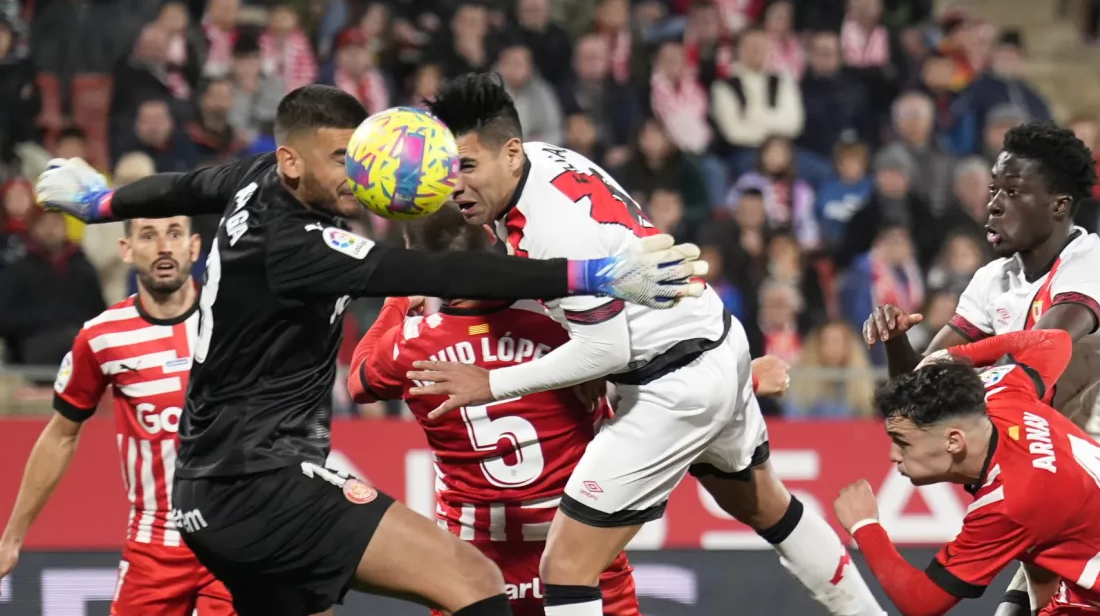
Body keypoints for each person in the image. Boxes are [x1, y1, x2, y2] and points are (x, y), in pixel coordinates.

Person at [32, 84, 705, 616]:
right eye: (338, 159)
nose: (358, 172)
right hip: (264, 483)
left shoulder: (257, 178)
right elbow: (442, 274)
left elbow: (182, 184)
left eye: (358, 153)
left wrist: (101, 202)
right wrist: (592, 273)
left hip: (208, 492)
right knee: (472, 577)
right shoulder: (299, 248)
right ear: (294, 161)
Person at [413, 73, 884, 616]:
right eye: (450, 171)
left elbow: (606, 351)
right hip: (714, 341)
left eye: (468, 167)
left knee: (565, 568)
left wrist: (490, 383)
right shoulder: (547, 161)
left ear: (511, 153)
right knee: (766, 505)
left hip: (672, 387)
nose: (456, 187)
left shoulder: (551, 226)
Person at [348, 206, 793, 616]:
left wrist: (397, 298)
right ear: (491, 246)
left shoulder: (410, 350)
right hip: (583, 560)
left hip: (472, 570)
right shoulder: (566, 328)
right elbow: (657, 395)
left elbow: (360, 381)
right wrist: (745, 378)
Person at [861, 121, 1100, 614]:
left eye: (1014, 191)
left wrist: (958, 363)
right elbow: (920, 392)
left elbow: (1047, 346)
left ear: (1058, 205)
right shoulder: (992, 281)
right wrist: (898, 345)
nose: (994, 204)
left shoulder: (1092, 266)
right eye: (994, 190)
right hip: (1063, 499)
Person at [833, 329, 1100, 615]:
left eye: (903, 442)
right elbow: (1052, 341)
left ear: (953, 442)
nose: (892, 455)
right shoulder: (1000, 394)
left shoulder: (1011, 500)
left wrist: (865, 526)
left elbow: (921, 602)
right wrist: (948, 356)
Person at [0, 216, 235, 615]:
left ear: (194, 247)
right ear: (126, 250)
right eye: (148, 235)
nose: (164, 246)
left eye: (174, 233)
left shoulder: (239, 320)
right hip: (154, 547)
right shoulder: (102, 337)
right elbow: (61, 435)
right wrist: (12, 537)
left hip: (235, 540)